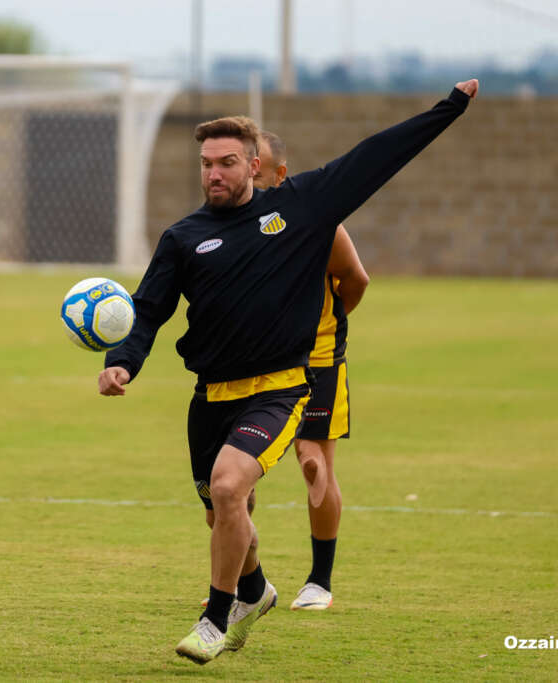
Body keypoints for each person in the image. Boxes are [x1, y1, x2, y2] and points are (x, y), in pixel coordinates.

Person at [99, 79, 477, 664]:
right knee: (220, 509)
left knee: (228, 487)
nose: (214, 174)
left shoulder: (300, 207)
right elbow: (148, 311)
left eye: (226, 163)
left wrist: (448, 107)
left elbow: (373, 158)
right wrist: (121, 363)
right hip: (211, 397)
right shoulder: (183, 238)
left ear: (255, 165)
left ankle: (214, 619)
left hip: (279, 388)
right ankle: (254, 589)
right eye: (205, 164)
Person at [253, 130, 369, 611]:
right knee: (233, 477)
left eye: (254, 164)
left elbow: (356, 281)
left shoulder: (318, 224)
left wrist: (327, 326)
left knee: (314, 462)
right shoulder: (222, 226)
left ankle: (319, 582)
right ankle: (244, 580)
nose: (247, 172)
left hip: (316, 361)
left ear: (280, 173)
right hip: (250, 363)